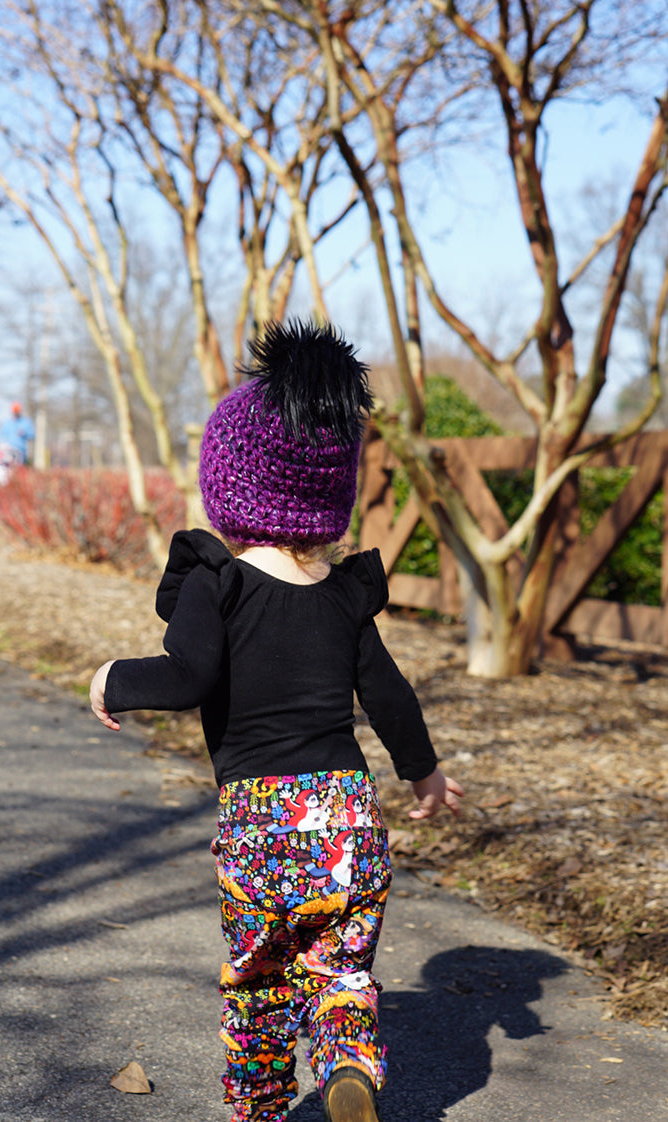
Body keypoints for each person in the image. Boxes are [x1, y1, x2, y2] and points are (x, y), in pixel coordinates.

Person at [89, 320, 465, 1122]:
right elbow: (391, 698)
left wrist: (110, 679)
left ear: (229, 484)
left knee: (258, 983)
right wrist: (425, 774)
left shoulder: (215, 582)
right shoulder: (344, 596)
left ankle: (260, 1109)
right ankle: (348, 1066)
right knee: (340, 975)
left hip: (261, 826)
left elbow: (188, 677)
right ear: (329, 490)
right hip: (346, 821)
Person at [0, 401, 35, 465]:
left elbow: (32, 436)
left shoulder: (26, 422)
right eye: (14, 410)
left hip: (21, 452)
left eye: (17, 410)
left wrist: (24, 434)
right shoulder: (6, 423)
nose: (15, 412)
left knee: (19, 468)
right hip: (8, 452)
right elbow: (2, 437)